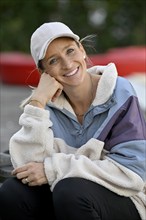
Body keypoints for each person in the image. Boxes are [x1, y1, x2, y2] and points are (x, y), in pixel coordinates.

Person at [0, 21, 145, 220]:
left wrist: (53, 168)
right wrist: (37, 102)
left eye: (70, 51)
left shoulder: (119, 93)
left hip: (125, 199)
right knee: (12, 193)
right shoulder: (44, 107)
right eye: (53, 60)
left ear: (82, 50)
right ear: (44, 73)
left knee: (70, 191)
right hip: (67, 198)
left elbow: (133, 172)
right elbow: (28, 169)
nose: (67, 64)